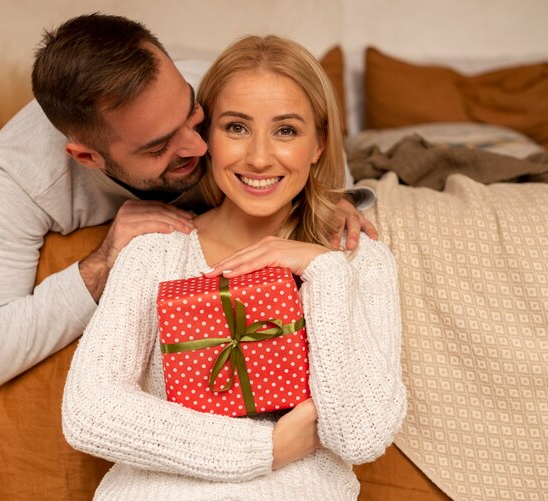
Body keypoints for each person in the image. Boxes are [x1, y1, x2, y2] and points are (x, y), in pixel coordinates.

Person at [0, 13, 377, 396]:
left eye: (193, 115)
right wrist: (101, 263)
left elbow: (310, 142)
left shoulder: (219, 90)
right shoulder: (19, 174)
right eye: (159, 147)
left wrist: (329, 195)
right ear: (87, 157)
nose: (198, 144)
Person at [62, 34, 405, 500]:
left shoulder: (355, 259)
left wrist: (322, 272)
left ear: (319, 144)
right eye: (237, 128)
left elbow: (361, 435)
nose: (259, 157)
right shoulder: (156, 254)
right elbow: (90, 412)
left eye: (286, 130)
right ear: (207, 139)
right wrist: (267, 447)